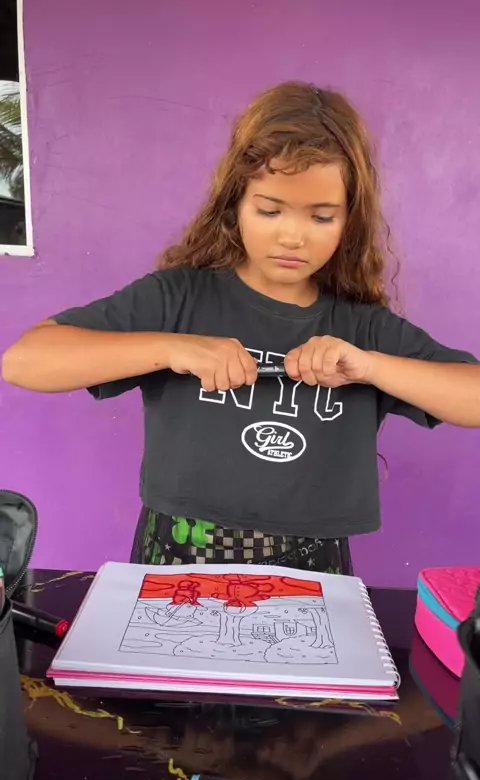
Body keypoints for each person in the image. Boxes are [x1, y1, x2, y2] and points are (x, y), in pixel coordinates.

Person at [2, 82, 479, 575]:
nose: (292, 236)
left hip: (312, 572)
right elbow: (24, 362)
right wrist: (173, 348)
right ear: (235, 204)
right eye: (269, 210)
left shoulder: (362, 327)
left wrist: (370, 367)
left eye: (321, 217)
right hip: (175, 556)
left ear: (348, 222)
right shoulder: (177, 299)